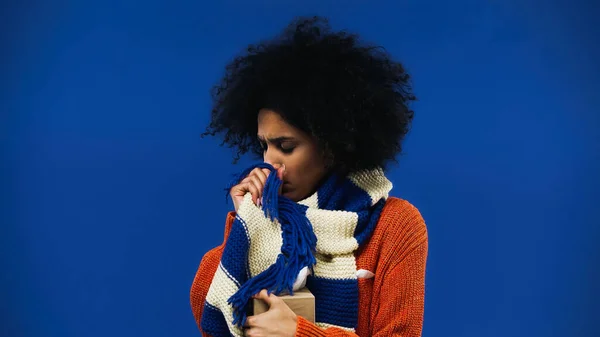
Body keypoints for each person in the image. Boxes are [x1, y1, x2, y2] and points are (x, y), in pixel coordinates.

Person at [191, 16, 428, 337]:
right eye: (264, 145)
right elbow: (209, 311)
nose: (268, 163)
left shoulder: (396, 226)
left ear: (332, 146)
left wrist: (299, 333)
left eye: (285, 146)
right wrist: (245, 224)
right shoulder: (265, 221)